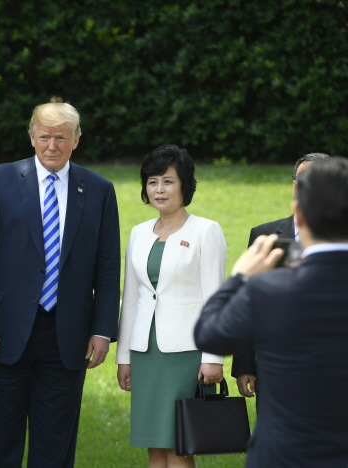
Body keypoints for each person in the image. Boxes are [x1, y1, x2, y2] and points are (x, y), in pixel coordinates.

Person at [0, 102, 120, 468]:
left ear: (76, 140)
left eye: (61, 137)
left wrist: (102, 330)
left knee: (54, 447)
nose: (52, 145)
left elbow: (107, 265)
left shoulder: (98, 190)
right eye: (45, 136)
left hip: (68, 336)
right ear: (32, 136)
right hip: (2, 331)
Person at [194, 157, 348, 467]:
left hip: (283, 455)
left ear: (299, 215)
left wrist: (239, 277)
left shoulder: (268, 290)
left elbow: (208, 332)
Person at [116, 144, 226, 468]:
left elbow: (215, 299)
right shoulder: (138, 234)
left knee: (179, 444)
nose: (159, 189)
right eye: (152, 182)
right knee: (154, 444)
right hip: (145, 353)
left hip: (186, 353)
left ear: (184, 185)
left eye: (168, 181)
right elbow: (133, 299)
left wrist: (214, 357)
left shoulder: (206, 230)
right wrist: (124, 358)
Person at [232, 152, 329, 399]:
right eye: (301, 180)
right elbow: (248, 305)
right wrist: (244, 366)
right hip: (274, 367)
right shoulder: (265, 237)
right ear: (293, 185)